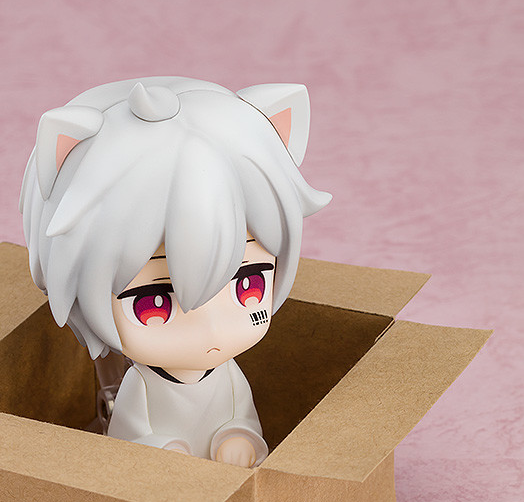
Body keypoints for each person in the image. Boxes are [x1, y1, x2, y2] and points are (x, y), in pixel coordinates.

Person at [20, 76, 330, 466]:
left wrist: (239, 437)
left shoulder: (228, 375)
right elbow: (129, 438)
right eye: (153, 302)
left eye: (248, 284)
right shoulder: (142, 386)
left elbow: (243, 417)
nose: (211, 329)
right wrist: (159, 452)